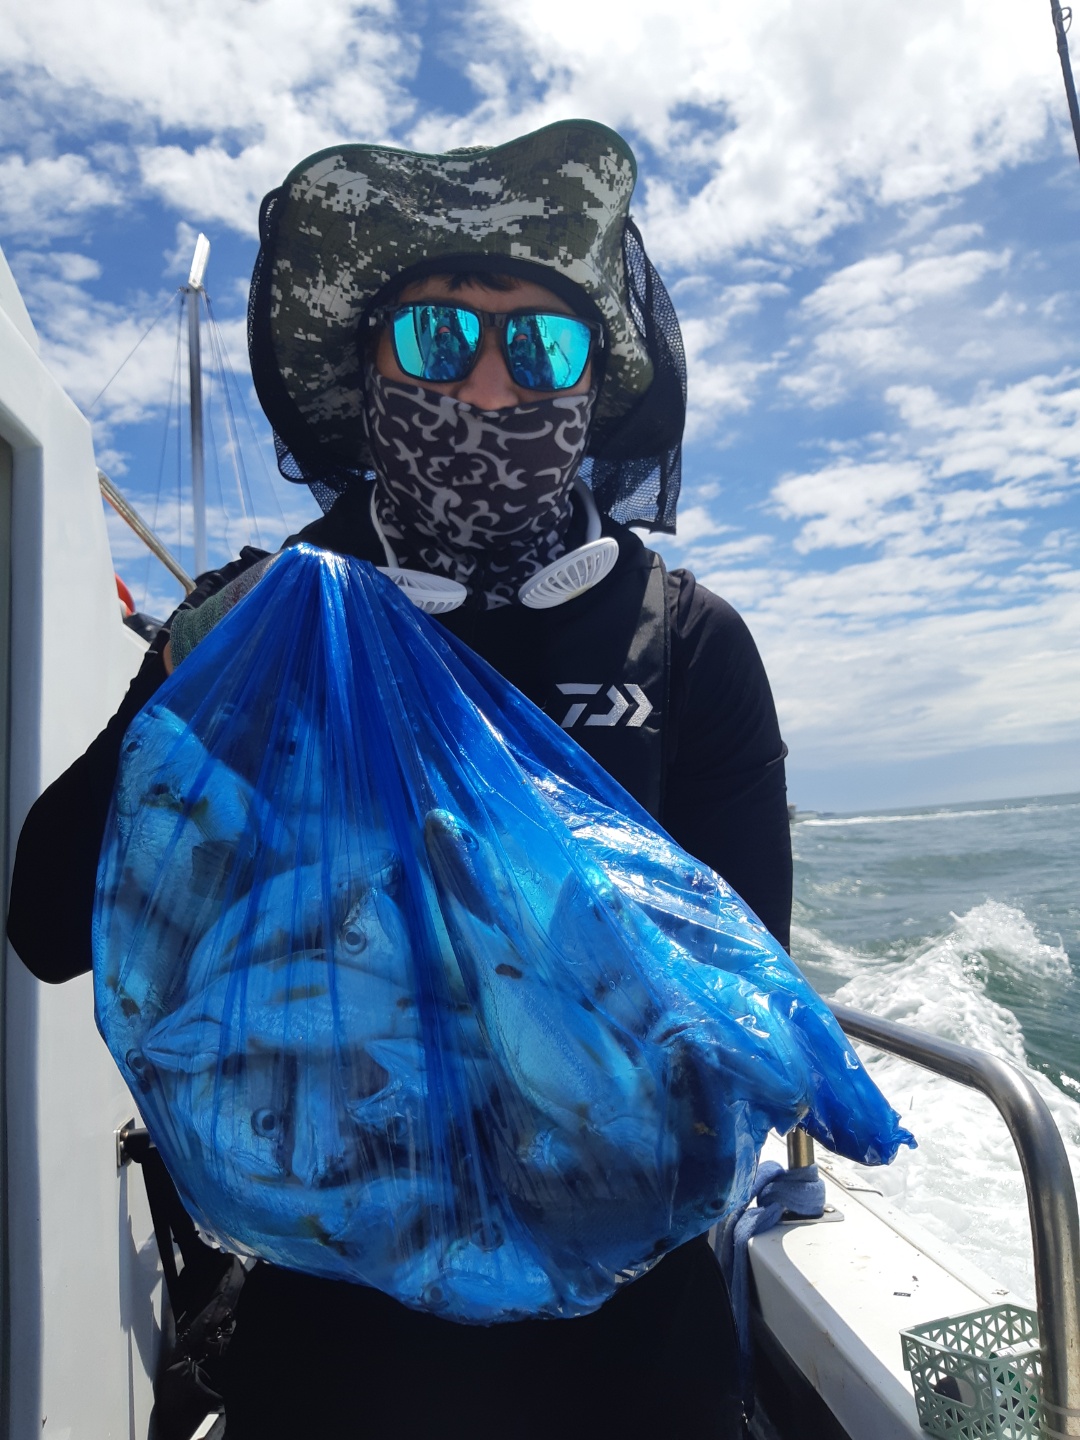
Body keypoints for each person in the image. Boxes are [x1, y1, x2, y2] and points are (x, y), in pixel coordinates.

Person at [8, 120, 791, 1439]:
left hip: (631, 1369)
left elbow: (740, 1032)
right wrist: (192, 674)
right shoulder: (260, 632)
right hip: (338, 1361)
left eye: (542, 347)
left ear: (594, 385)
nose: (488, 385)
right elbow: (44, 924)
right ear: (367, 369)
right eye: (437, 336)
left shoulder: (689, 647)